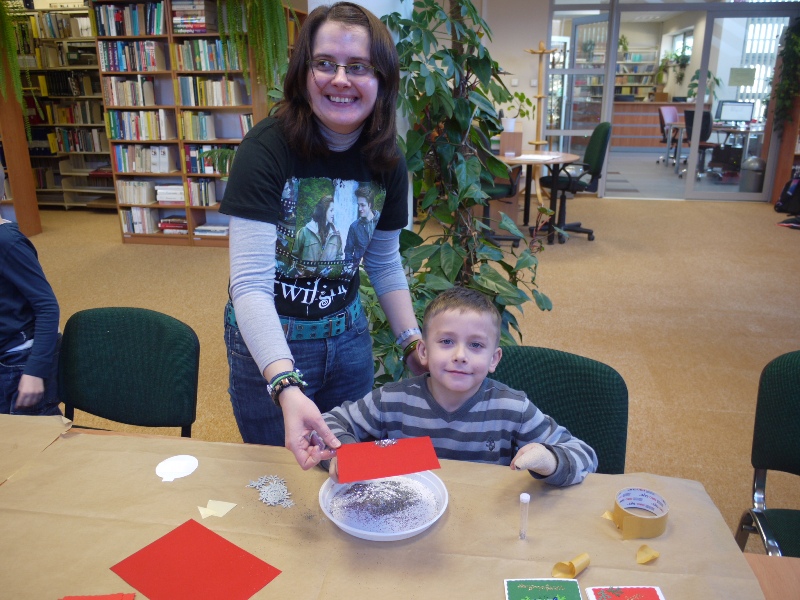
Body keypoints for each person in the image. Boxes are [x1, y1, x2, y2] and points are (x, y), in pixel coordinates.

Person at [219, 2, 423, 468]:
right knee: (280, 475)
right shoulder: (265, 149)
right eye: (325, 63)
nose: (340, 79)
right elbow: (249, 285)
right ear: (303, 72)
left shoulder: (388, 160)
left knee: (349, 471)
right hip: (271, 344)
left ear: (382, 80)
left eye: (359, 67)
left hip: (348, 339)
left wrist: (411, 341)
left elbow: (384, 262)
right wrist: (285, 385)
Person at [322, 287, 598, 487]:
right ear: (423, 351)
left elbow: (585, 455)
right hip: (405, 520)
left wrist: (549, 460)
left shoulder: (512, 408)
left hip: (484, 523)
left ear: (493, 359)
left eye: (475, 345)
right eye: (446, 342)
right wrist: (345, 453)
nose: (460, 355)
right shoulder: (391, 400)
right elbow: (326, 423)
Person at [0, 214, 61, 416]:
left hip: (19, 361)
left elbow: (47, 306)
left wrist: (35, 370)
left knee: (35, 431)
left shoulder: (8, 242)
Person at [344, 185, 379, 262]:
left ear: (370, 204)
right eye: (358, 205)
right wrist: (349, 266)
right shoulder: (354, 227)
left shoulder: (382, 223)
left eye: (362, 205)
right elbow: (348, 252)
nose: (359, 209)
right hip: (359, 267)